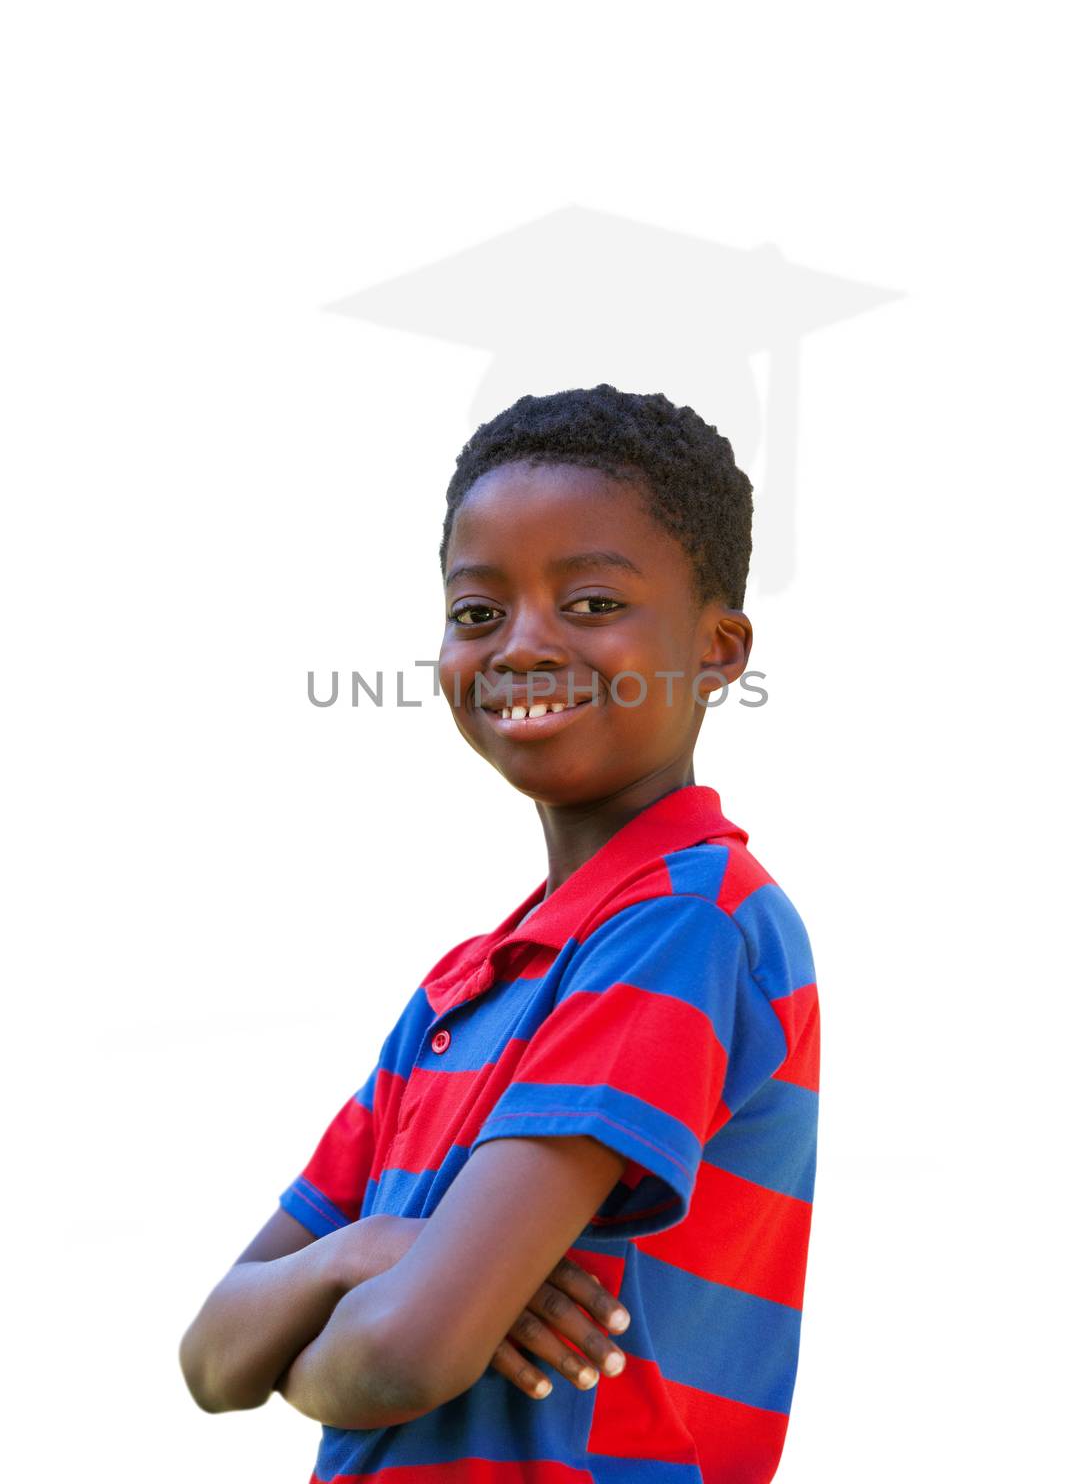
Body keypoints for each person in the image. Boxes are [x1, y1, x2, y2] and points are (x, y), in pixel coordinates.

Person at [179, 384, 819, 1483]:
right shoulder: (458, 994)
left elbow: (403, 1355)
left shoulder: (683, 926)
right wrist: (377, 1249)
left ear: (715, 650)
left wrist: (365, 1312)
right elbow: (212, 1356)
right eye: (478, 612)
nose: (522, 644)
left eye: (589, 601)